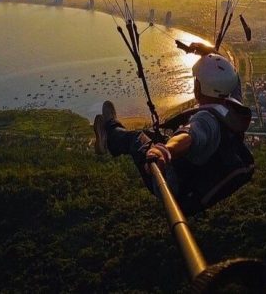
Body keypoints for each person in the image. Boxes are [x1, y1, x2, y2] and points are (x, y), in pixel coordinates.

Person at [92, 52, 255, 216]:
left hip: (172, 184)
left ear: (200, 87)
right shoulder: (231, 107)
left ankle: (109, 132)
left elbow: (188, 136)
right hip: (195, 174)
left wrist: (165, 151)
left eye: (196, 81)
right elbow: (233, 81)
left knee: (136, 139)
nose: (195, 83)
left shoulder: (205, 121)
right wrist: (207, 52)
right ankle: (112, 134)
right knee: (149, 134)